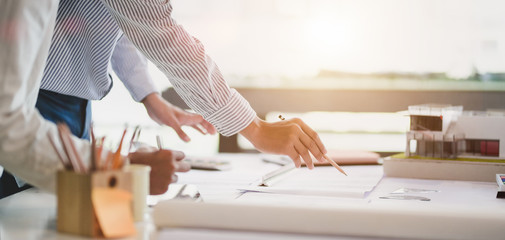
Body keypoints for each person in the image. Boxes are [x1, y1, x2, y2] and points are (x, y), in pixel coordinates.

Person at [0, 0, 328, 198]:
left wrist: (149, 95)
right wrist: (253, 127)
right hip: (37, 106)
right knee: (30, 213)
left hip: (72, 103)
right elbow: (160, 31)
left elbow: (117, 19)